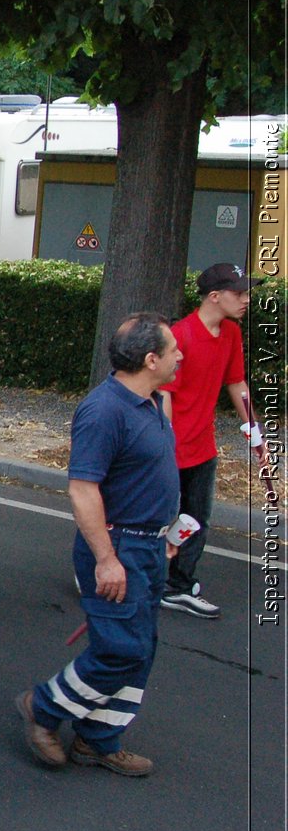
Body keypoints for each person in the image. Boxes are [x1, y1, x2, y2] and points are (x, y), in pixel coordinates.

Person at [17, 313, 182, 778]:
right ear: (151, 359)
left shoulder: (153, 402)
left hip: (148, 547)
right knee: (121, 649)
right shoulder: (103, 410)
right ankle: (44, 707)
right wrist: (107, 559)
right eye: (173, 350)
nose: (179, 355)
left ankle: (99, 738)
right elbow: (83, 490)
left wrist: (165, 533)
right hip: (118, 548)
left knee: (140, 648)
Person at [162, 262, 259, 618]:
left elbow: (237, 384)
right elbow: (165, 393)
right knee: (158, 517)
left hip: (203, 446)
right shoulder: (181, 335)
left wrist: (256, 436)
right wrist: (163, 442)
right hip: (171, 448)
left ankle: (179, 585)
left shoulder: (231, 333)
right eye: (240, 293)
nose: (246, 299)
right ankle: (130, 573)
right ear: (215, 297)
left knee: (196, 518)